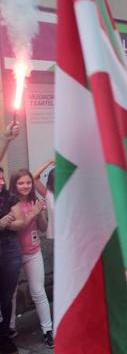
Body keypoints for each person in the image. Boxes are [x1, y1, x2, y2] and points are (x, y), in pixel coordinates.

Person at [9, 169, 53, 348]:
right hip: (13, 254)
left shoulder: (35, 201)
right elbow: (16, 228)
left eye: (28, 182)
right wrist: (32, 214)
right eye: (21, 183)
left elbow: (42, 228)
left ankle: (48, 330)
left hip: (33, 252)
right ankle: (10, 327)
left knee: (38, 291)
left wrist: (40, 213)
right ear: (14, 185)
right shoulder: (10, 203)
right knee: (10, 293)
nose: (25, 186)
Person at [0, 122, 29, 354]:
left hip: (9, 251)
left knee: (6, 296)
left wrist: (10, 220)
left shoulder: (8, 197)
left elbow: (20, 221)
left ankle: (5, 337)